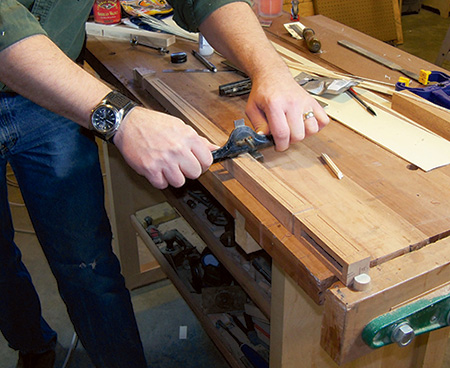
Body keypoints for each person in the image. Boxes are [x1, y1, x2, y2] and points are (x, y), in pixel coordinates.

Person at [0, 0, 329, 367]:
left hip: (54, 89)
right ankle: (31, 343)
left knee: (87, 266)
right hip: (57, 83)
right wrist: (121, 118)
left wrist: (271, 71)